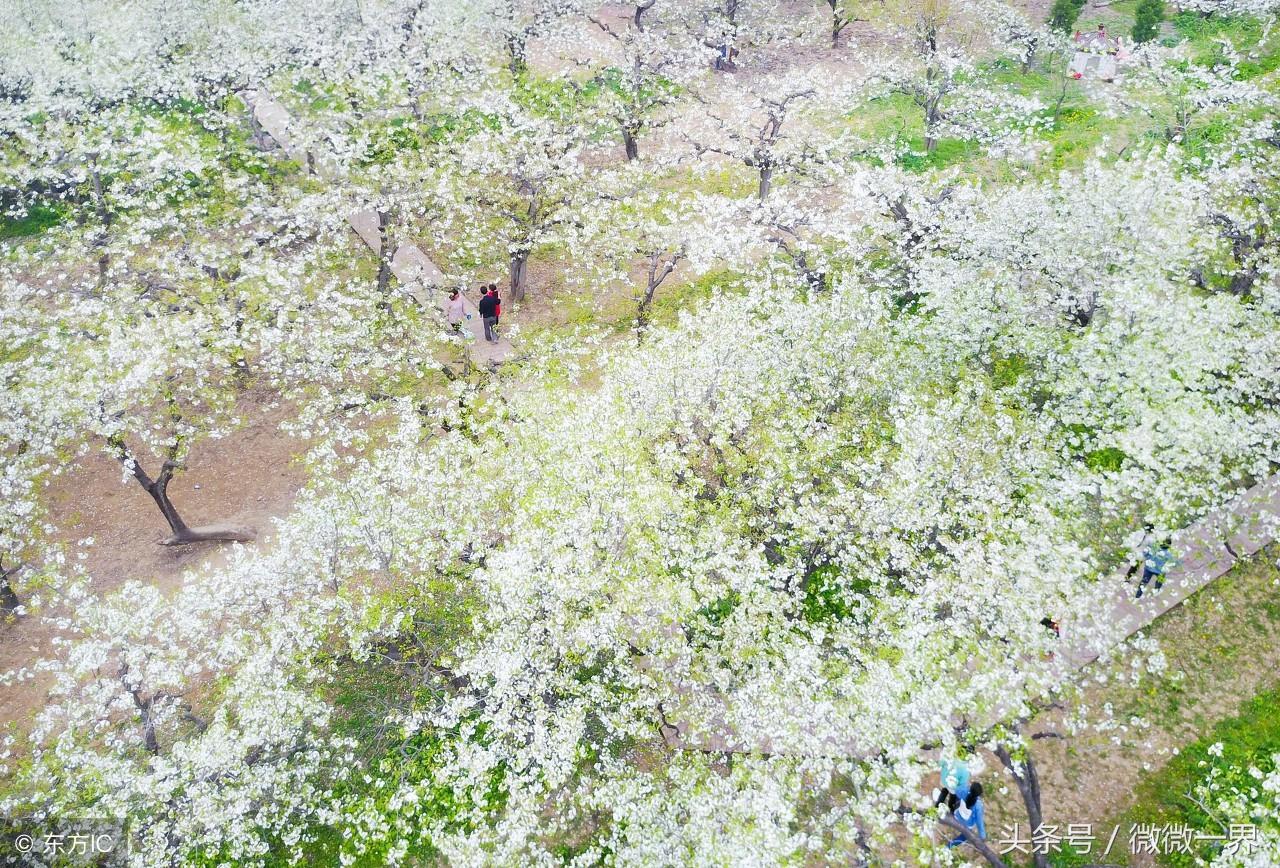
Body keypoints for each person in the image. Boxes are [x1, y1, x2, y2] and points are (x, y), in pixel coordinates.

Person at [1125, 524, 1177, 599]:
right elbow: (1172, 561)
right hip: (1155, 567)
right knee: (1160, 578)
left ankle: (1137, 594)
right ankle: (1156, 590)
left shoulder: (1147, 536)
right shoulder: (1152, 539)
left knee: (1141, 576)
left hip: (1146, 563)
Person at [948, 783, 987, 848]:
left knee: (958, 800)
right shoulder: (978, 806)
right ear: (979, 794)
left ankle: (950, 817)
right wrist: (983, 836)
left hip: (957, 816)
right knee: (965, 836)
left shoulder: (964, 792)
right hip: (968, 824)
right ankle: (950, 846)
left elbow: (957, 790)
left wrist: (966, 786)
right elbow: (979, 822)